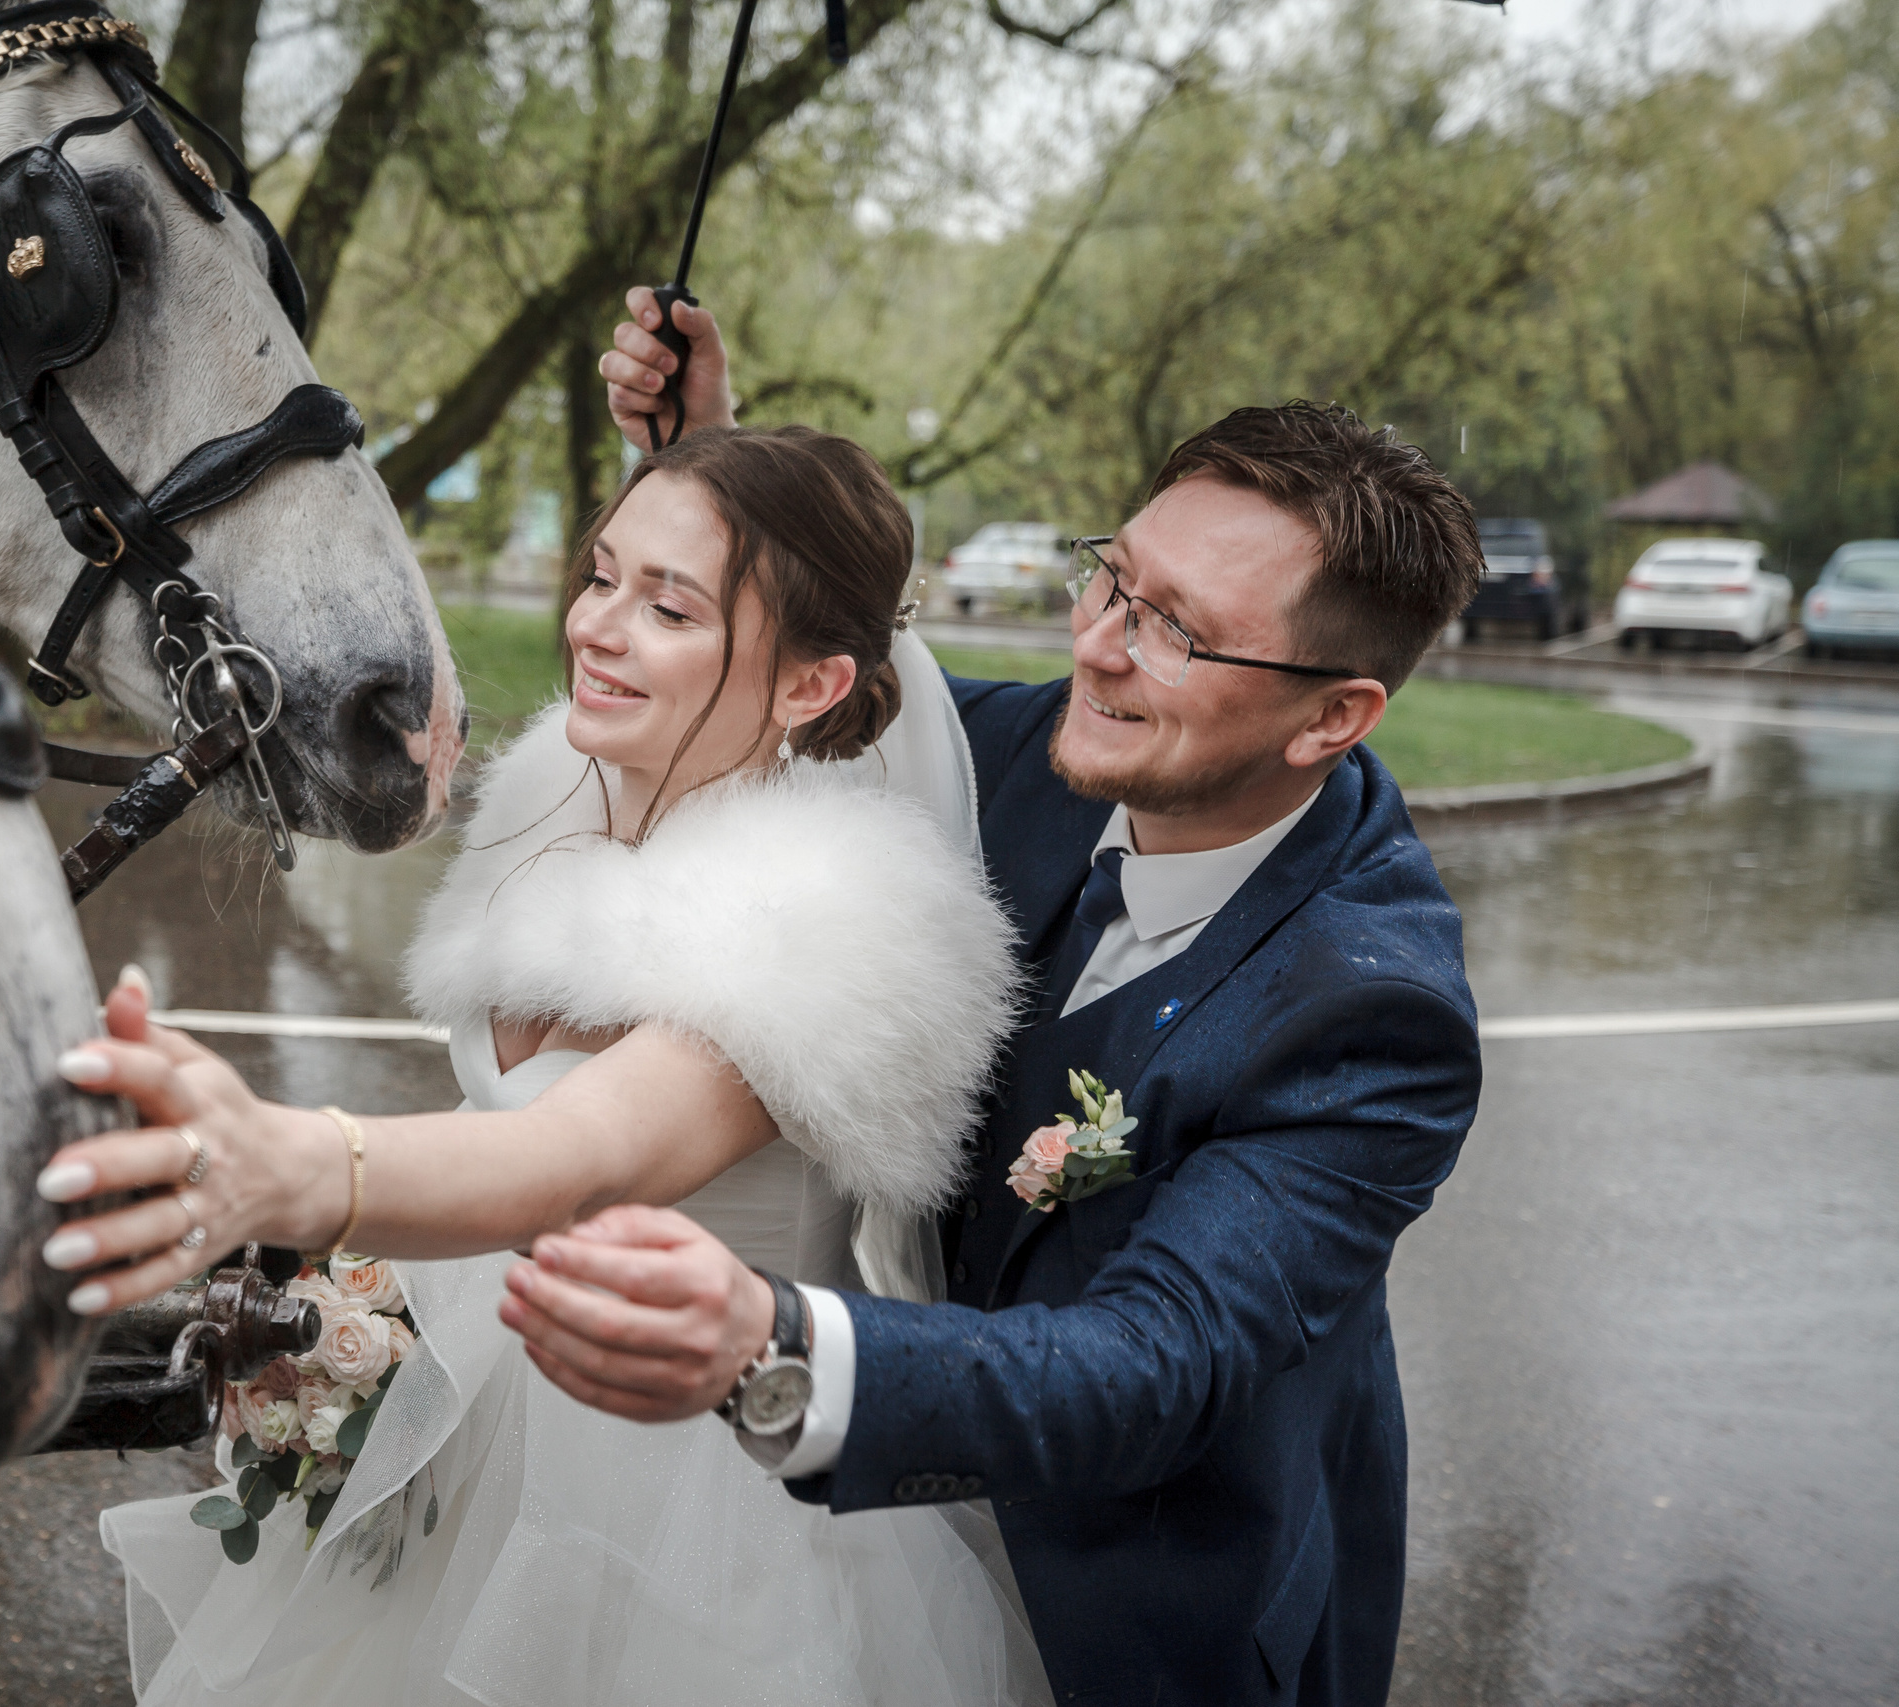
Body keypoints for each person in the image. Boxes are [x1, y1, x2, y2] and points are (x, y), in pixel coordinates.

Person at [489, 291, 1488, 1706]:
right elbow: (827, 681)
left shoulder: (1376, 1017)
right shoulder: (1034, 753)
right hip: (901, 1551)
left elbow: (1150, 1362)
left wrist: (774, 1346)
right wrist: (716, 475)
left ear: (1334, 715)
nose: (1098, 644)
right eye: (1112, 579)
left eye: (1178, 635)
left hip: (1146, 1607)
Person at [43, 424, 1054, 1704]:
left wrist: (284, 1163)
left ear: (810, 686)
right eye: (601, 575)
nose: (598, 626)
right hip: (479, 1429)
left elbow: (565, 1160)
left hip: (684, 1524)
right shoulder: (559, 804)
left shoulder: (823, 920)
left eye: (668, 605)